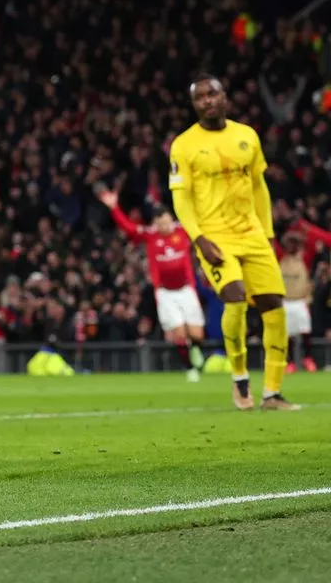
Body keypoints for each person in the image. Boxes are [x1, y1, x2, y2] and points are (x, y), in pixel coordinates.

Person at [168, 74, 298, 411]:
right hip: (214, 236)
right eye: (200, 98)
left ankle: (272, 393)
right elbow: (181, 201)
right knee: (236, 300)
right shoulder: (184, 144)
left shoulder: (247, 136)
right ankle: (240, 379)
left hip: (252, 233)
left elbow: (259, 188)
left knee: (274, 307)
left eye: (212, 94)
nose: (207, 101)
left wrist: (267, 234)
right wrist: (198, 239)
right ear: (194, 104)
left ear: (224, 96)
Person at [98, 190, 206, 382]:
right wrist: (114, 207)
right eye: (160, 224)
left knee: (197, 334)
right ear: (155, 223)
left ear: (171, 219)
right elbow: (129, 228)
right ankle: (189, 368)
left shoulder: (183, 230)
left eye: (166, 222)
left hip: (186, 288)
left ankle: (196, 348)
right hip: (165, 292)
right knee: (179, 333)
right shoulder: (150, 235)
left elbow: (203, 220)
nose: (164, 226)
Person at [277, 233, 317, 374]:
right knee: (287, 334)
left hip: (301, 301)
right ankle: (290, 362)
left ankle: (308, 358)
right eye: (289, 243)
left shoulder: (304, 259)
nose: (291, 246)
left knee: (305, 331)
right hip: (286, 300)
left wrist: (302, 235)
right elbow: (273, 245)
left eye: (294, 244)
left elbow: (312, 246)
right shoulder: (281, 258)